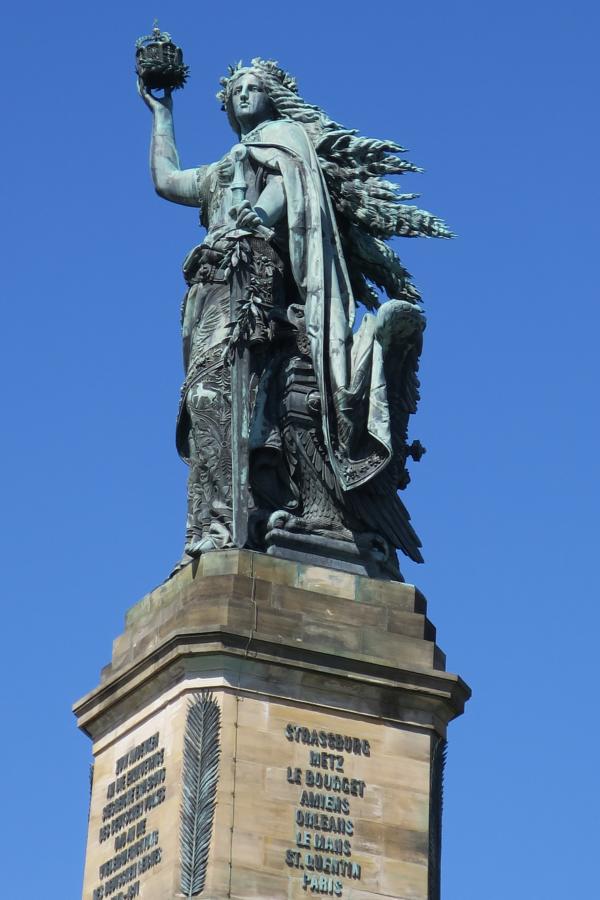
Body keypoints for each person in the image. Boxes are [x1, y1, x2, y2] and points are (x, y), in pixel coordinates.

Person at [139, 59, 450, 574]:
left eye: (253, 87)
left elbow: (289, 185)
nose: (242, 94)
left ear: (274, 96)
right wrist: (162, 115)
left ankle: (229, 526)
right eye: (235, 90)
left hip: (255, 281)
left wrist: (258, 216)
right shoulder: (222, 168)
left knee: (222, 398)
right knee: (204, 403)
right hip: (210, 286)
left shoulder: (285, 140)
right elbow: (168, 180)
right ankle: (213, 525)